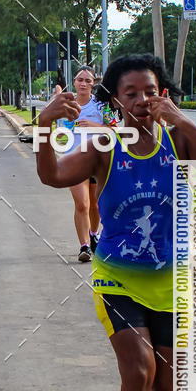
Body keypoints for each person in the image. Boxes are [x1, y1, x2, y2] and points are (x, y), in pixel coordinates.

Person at [36, 53, 196, 391]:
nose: (143, 100)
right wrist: (44, 127)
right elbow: (51, 175)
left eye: (150, 91)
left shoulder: (177, 141)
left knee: (167, 386)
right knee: (139, 369)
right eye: (131, 93)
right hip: (118, 279)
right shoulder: (105, 145)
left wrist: (182, 121)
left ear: (162, 93)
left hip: (173, 281)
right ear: (116, 101)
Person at [57, 66, 107, 262]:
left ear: (93, 84)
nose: (84, 83)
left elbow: (115, 130)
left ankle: (94, 234)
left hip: (99, 162)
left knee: (96, 205)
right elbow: (58, 131)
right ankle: (84, 246)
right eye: (80, 79)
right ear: (74, 83)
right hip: (75, 161)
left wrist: (95, 126)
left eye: (88, 80)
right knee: (82, 204)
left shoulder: (101, 106)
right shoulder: (66, 106)